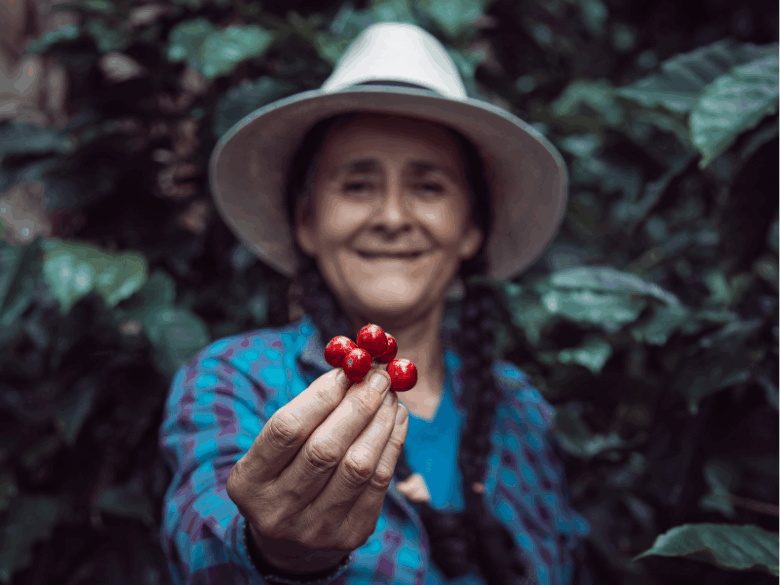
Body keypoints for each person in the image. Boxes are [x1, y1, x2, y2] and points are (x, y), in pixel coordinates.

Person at [159, 22, 594, 585]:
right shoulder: (236, 378)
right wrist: (279, 552)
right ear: (308, 223)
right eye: (358, 186)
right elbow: (201, 541)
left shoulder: (522, 409)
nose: (392, 217)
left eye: (429, 186)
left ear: (471, 230)